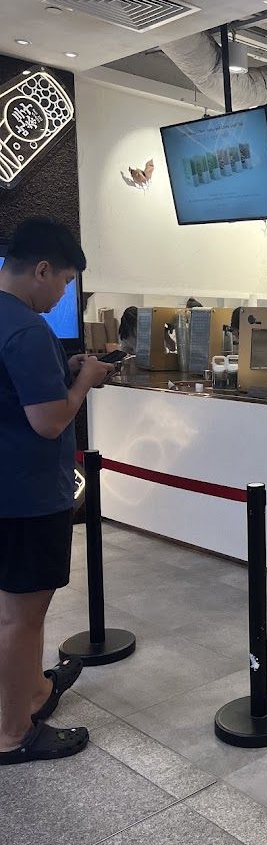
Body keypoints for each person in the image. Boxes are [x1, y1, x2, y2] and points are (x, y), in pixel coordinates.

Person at [0, 218, 112, 765]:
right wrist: (85, 381)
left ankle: (36, 693)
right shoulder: (25, 328)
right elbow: (47, 421)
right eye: (64, 280)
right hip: (25, 495)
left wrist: (63, 371)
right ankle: (13, 730)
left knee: (10, 611)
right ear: (41, 270)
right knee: (24, 617)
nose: (63, 293)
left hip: (6, 492)